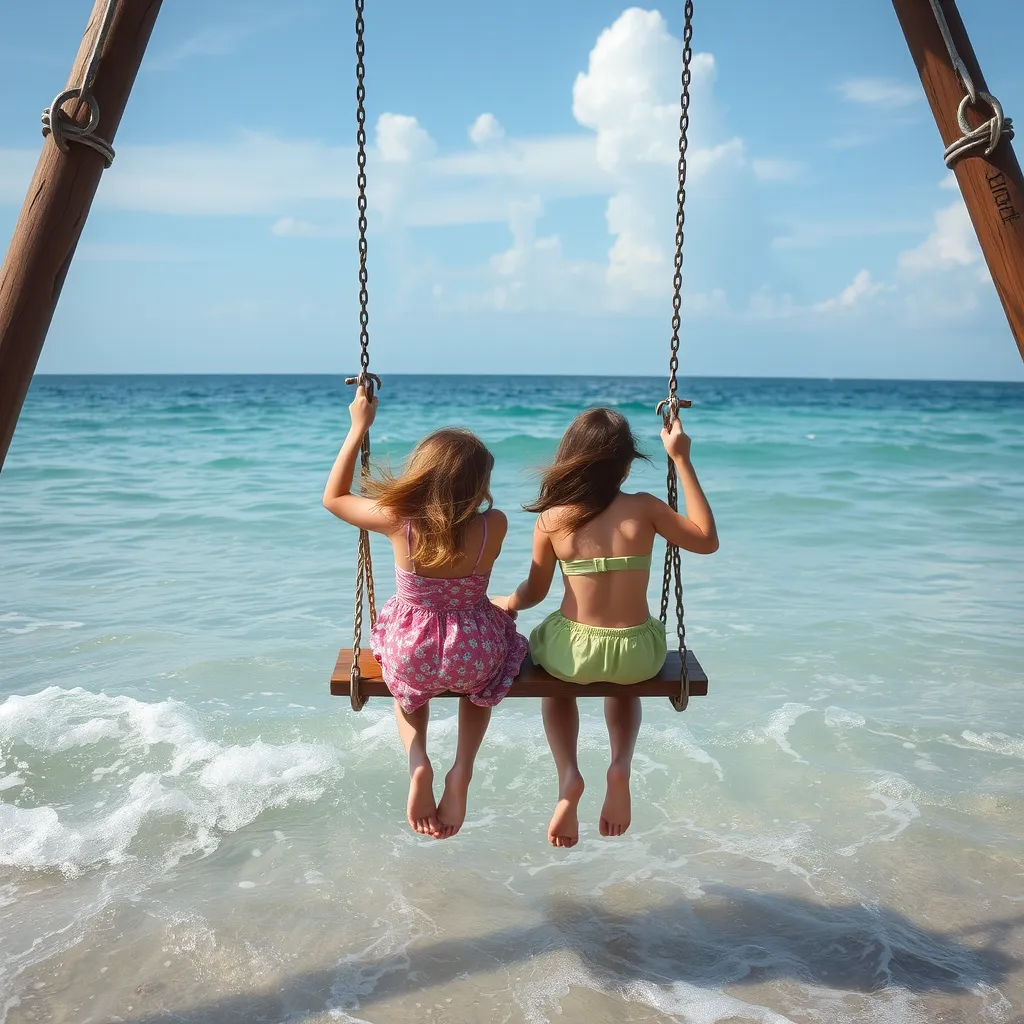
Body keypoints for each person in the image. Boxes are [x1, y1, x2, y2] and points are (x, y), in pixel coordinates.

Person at [495, 408, 717, 848]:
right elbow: (706, 540)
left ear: (570, 460)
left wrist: (507, 602)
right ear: (627, 463)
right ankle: (619, 764)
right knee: (625, 684)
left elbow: (535, 593)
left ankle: (568, 778)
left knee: (554, 685)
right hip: (638, 654)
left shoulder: (553, 519)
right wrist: (681, 460)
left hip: (571, 654)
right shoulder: (646, 508)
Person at [324, 386, 528, 839]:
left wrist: (358, 426)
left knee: (407, 682)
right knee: (486, 682)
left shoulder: (400, 520)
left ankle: (419, 763)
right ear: (479, 486)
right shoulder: (494, 524)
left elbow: (334, 498)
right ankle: (463, 769)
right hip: (473, 653)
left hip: (413, 648)